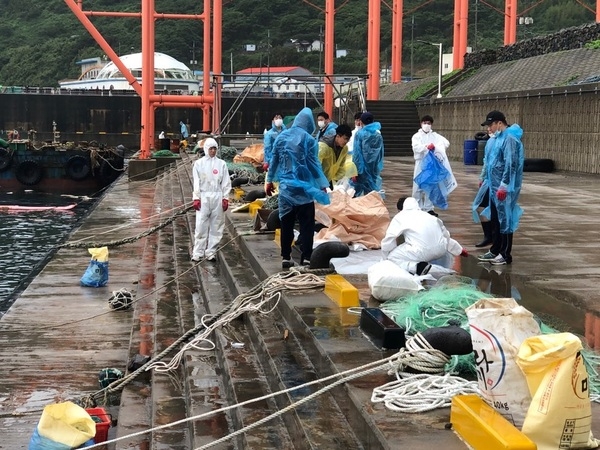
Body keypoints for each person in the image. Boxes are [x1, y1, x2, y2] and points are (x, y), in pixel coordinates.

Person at [265, 107, 330, 269]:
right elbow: (314, 165)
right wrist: (322, 185)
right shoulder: (309, 140)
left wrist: (269, 181)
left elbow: (274, 162)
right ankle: (306, 256)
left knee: (286, 223)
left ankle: (286, 256)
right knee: (306, 226)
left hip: (286, 190)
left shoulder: (281, 138)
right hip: (305, 191)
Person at [475, 110, 524, 265]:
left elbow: (511, 163)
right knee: (496, 218)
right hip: (493, 185)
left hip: (504, 187)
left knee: (505, 219)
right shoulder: (495, 139)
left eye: (491, 124)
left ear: (499, 123)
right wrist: (484, 178)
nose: (489, 128)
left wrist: (504, 185)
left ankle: (505, 254)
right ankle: (495, 249)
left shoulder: (509, 139)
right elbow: (488, 160)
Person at [381, 196, 468, 275]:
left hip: (421, 251)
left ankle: (418, 267)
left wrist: (385, 258)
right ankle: (427, 268)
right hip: (441, 250)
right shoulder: (429, 216)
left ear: (401, 209)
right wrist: (458, 249)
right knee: (424, 247)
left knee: (393, 257)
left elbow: (389, 239)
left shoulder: (400, 216)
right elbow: (445, 235)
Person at [191, 138, 232, 262]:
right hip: (204, 196)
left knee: (217, 226)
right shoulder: (198, 164)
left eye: (215, 148)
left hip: (217, 196)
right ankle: (197, 252)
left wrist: (225, 197)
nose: (213, 151)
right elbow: (196, 182)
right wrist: (196, 197)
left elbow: (225, 181)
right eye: (211, 148)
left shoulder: (222, 164)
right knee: (201, 225)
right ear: (206, 149)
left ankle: (211, 252)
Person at [411, 115, 456, 216]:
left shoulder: (435, 136)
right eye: (425, 123)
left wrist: (437, 147)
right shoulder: (416, 136)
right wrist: (426, 147)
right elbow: (416, 147)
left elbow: (446, 143)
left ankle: (428, 208)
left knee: (430, 185)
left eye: (429, 123)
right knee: (418, 186)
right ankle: (417, 207)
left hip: (431, 164)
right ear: (421, 123)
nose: (427, 125)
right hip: (421, 163)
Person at [351, 112, 384, 197]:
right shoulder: (377, 134)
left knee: (357, 192)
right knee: (371, 191)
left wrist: (354, 170)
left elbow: (357, 154)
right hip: (373, 167)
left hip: (361, 168)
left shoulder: (359, 134)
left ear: (361, 122)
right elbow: (380, 153)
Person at [318, 124, 352, 188]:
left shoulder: (344, 148)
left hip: (330, 180)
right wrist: (321, 182)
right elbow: (316, 165)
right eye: (345, 139)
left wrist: (337, 180)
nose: (346, 141)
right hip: (319, 181)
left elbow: (341, 166)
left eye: (348, 139)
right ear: (338, 136)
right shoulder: (323, 146)